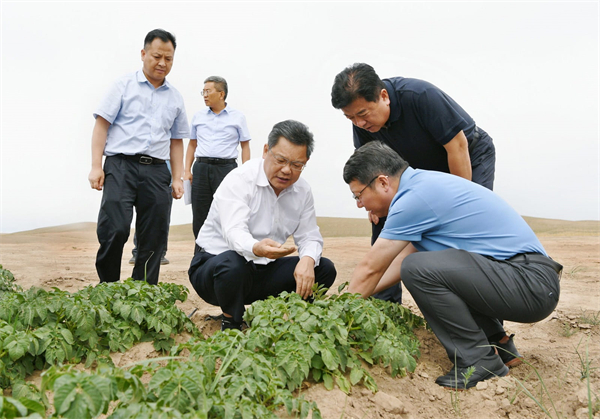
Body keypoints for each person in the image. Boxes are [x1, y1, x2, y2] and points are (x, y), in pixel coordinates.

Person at [343, 141, 561, 389]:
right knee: (424, 266)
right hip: (528, 281)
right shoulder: (424, 187)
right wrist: (361, 293)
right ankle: (497, 344)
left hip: (530, 284)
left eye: (358, 195)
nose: (359, 204)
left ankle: (478, 361)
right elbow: (395, 265)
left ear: (383, 182)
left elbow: (372, 267)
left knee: (418, 269)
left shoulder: (414, 198)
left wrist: (339, 311)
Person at [331, 63, 496, 303]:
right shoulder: (362, 124)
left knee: (468, 226)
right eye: (350, 117)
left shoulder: (420, 96)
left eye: (363, 114)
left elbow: (458, 147)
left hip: (467, 155)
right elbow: (369, 168)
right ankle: (385, 308)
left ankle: (486, 312)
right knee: (383, 219)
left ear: (384, 96)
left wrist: (456, 207)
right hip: (417, 172)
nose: (359, 123)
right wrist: (373, 202)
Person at [188, 120, 337, 330]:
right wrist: (256, 247)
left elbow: (310, 235)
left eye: (297, 165)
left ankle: (289, 319)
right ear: (266, 150)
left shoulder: (302, 191)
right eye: (281, 160)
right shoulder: (240, 179)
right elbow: (234, 232)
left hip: (262, 270)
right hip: (215, 269)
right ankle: (231, 322)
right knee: (232, 263)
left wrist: (307, 260)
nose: (287, 170)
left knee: (323, 268)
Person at [88, 29, 189, 285]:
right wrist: (96, 166)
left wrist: (177, 178)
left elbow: (176, 141)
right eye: (157, 56)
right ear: (143, 54)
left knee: (154, 235)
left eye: (168, 59)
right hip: (121, 165)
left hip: (157, 170)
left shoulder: (175, 98)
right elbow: (101, 125)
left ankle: (142, 291)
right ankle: (108, 286)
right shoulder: (123, 86)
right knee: (115, 228)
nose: (162, 63)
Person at [184, 76, 251, 251]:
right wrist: (187, 170)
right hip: (201, 168)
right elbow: (192, 145)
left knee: (226, 210)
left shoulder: (238, 117)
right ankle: (200, 253)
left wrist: (246, 172)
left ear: (221, 94)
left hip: (226, 169)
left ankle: (225, 252)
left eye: (208, 91)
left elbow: (245, 146)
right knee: (200, 212)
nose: (205, 95)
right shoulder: (198, 116)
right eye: (203, 92)